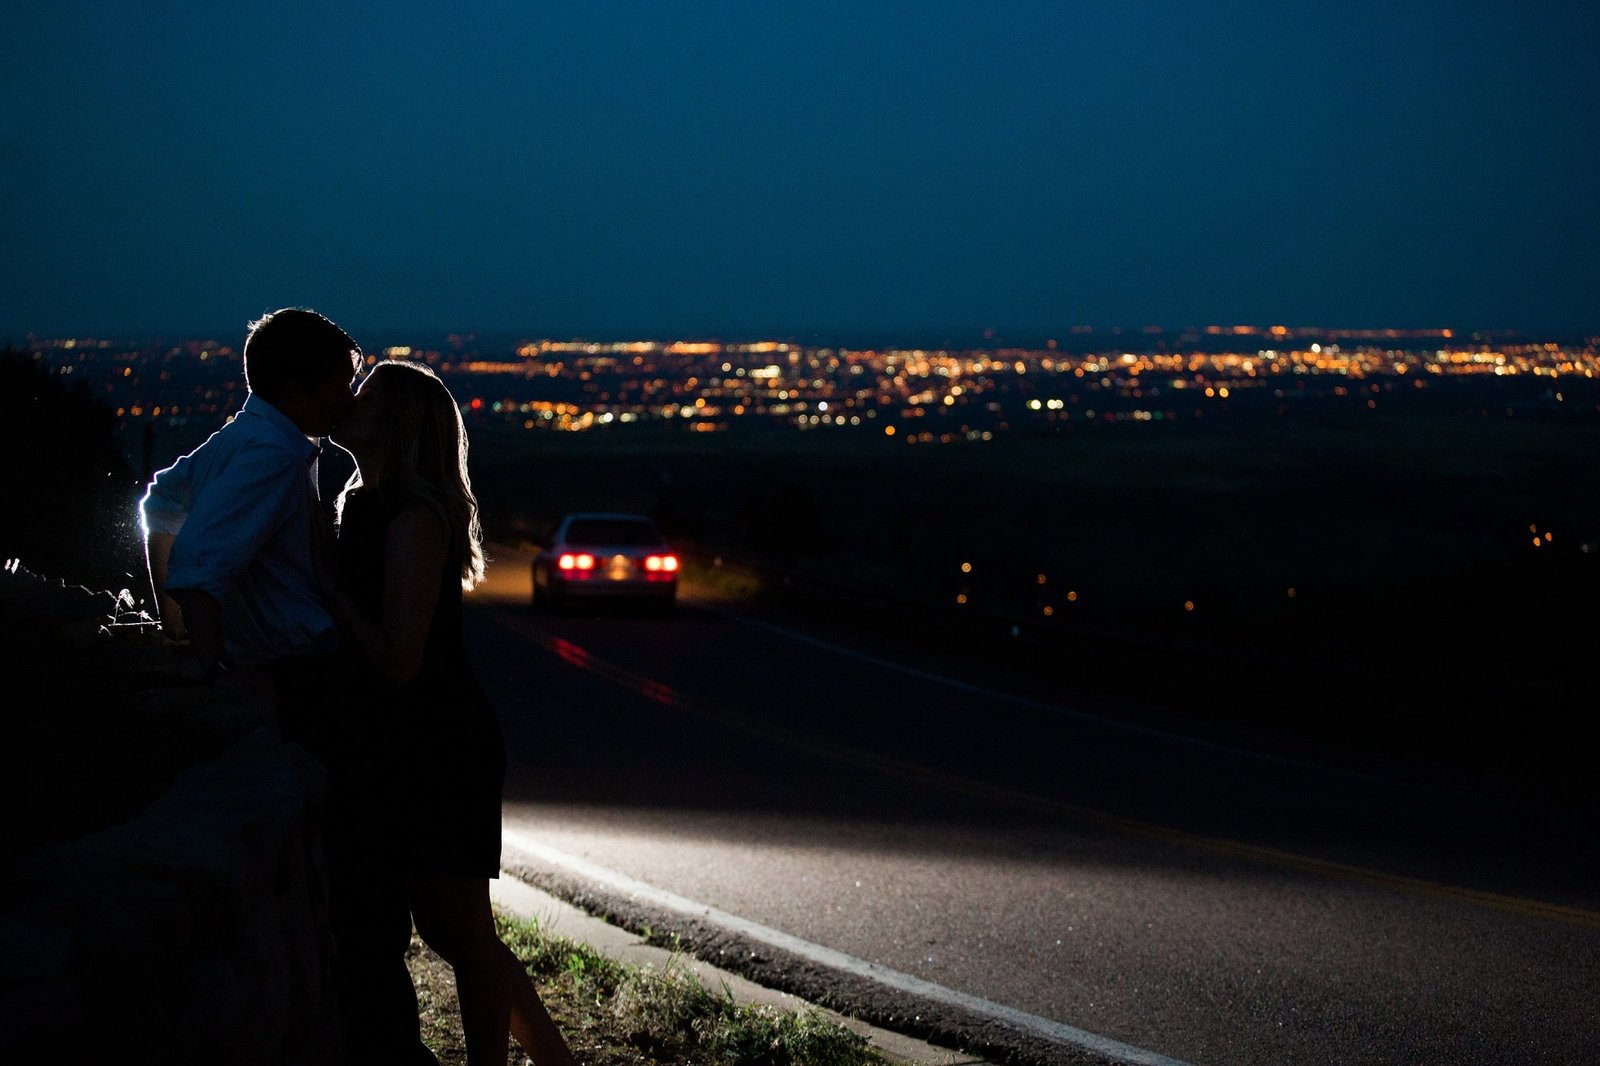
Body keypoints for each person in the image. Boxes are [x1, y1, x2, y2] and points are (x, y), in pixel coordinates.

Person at [140, 307, 439, 1066]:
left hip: (299, 677)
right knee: (362, 898)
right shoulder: (275, 453)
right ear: (299, 387)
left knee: (351, 894)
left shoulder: (254, 437)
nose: (350, 394)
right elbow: (202, 568)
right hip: (310, 682)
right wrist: (206, 662)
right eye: (342, 381)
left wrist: (174, 627)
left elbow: (161, 503)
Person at [319, 359, 579, 1066]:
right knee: (455, 929)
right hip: (404, 741)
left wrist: (324, 585)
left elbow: (400, 658)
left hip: (439, 742)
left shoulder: (413, 520)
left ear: (398, 425)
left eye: (365, 396)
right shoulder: (362, 504)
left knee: (458, 932)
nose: (348, 401)